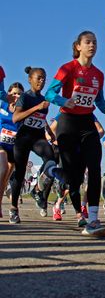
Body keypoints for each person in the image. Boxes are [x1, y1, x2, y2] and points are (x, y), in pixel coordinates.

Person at [46, 31, 105, 237]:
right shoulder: (68, 68)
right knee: (73, 178)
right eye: (88, 42)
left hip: (87, 123)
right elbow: (50, 93)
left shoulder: (99, 74)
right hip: (68, 122)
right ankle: (57, 174)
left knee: (94, 167)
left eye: (95, 42)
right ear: (78, 46)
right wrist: (63, 101)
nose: (92, 45)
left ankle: (93, 219)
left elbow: (99, 100)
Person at [11, 67, 57, 220]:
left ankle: (37, 190)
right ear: (30, 79)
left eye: (44, 78)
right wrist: (37, 107)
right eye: (39, 78)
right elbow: (16, 118)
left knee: (51, 160)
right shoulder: (25, 97)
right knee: (19, 173)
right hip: (23, 138)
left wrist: (50, 133)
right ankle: (14, 208)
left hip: (38, 138)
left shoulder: (43, 100)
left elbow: (41, 120)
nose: (42, 81)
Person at [1, 82, 24, 220]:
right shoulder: (2, 105)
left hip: (14, 147)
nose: (16, 96)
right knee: (2, 169)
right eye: (14, 93)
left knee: (6, 178)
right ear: (9, 93)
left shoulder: (22, 109)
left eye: (19, 94)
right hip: (1, 144)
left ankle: (9, 205)